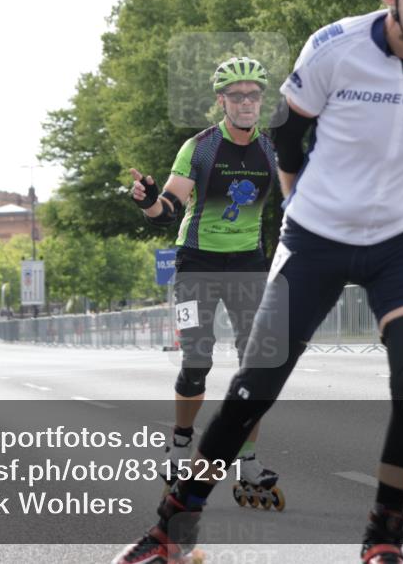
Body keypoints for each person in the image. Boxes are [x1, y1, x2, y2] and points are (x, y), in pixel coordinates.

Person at [115, 0, 403, 564]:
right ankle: (172, 531)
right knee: (249, 388)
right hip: (308, 239)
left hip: (399, 240)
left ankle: (384, 539)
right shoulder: (334, 51)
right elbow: (289, 134)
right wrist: (293, 197)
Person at [127, 56, 280, 508]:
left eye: (253, 95)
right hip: (196, 266)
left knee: (258, 366)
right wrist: (150, 202)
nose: (247, 102)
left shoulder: (271, 150)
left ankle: (247, 457)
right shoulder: (200, 148)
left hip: (248, 266)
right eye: (237, 96)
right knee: (197, 360)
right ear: (222, 101)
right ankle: (180, 441)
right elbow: (170, 207)